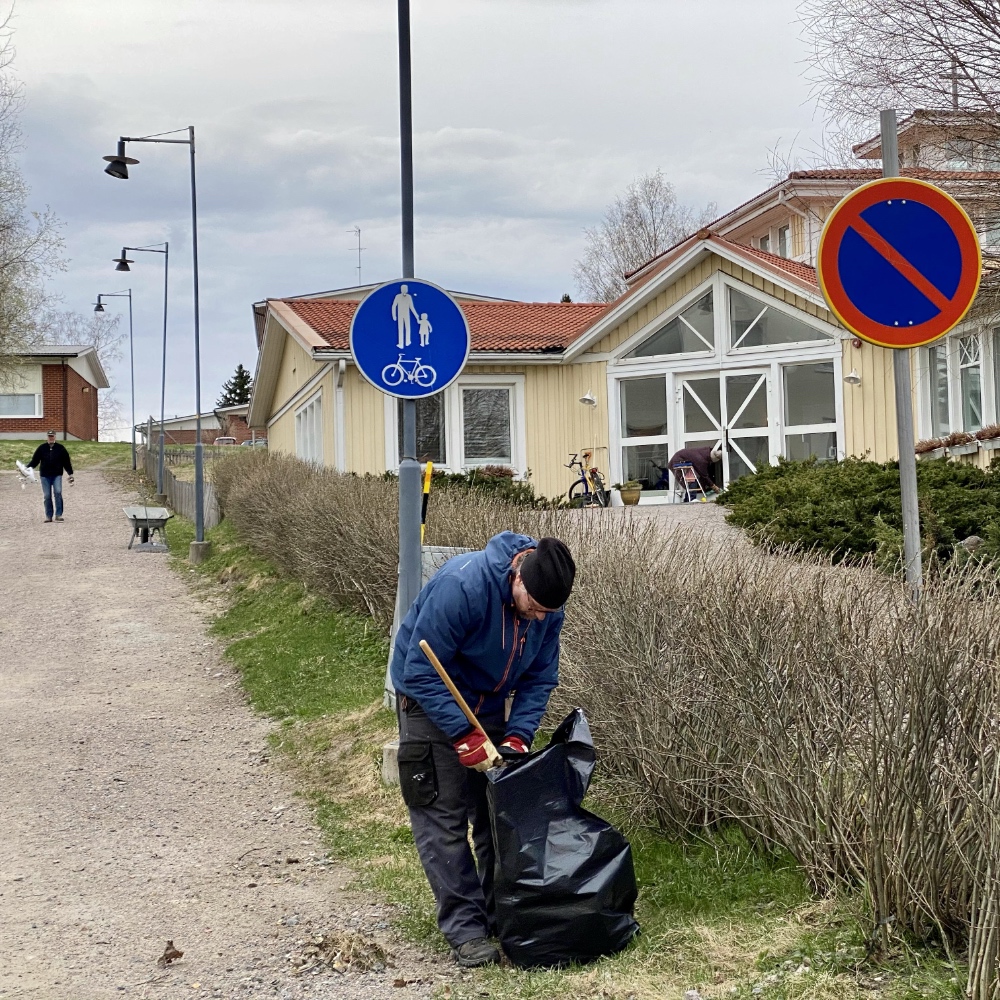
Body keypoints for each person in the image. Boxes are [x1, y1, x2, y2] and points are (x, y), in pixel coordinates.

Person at [390, 532, 576, 968]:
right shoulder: (463, 586)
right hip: (428, 700)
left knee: (496, 814)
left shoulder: (547, 610)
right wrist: (461, 733)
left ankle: (501, 917)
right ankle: (467, 930)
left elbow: (539, 679)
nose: (537, 618)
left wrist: (518, 736)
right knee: (444, 815)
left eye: (546, 613)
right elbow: (419, 670)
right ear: (518, 576)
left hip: (487, 703)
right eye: (532, 607)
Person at [26, 431, 74, 522]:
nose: (51, 438)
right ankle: (48, 516)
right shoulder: (42, 448)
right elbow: (35, 461)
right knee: (47, 495)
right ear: (47, 437)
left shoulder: (61, 448)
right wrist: (26, 468)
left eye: (52, 436)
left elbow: (66, 462)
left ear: (55, 437)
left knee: (58, 492)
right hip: (45, 475)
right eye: (49, 436)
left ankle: (58, 515)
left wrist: (70, 473)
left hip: (57, 475)